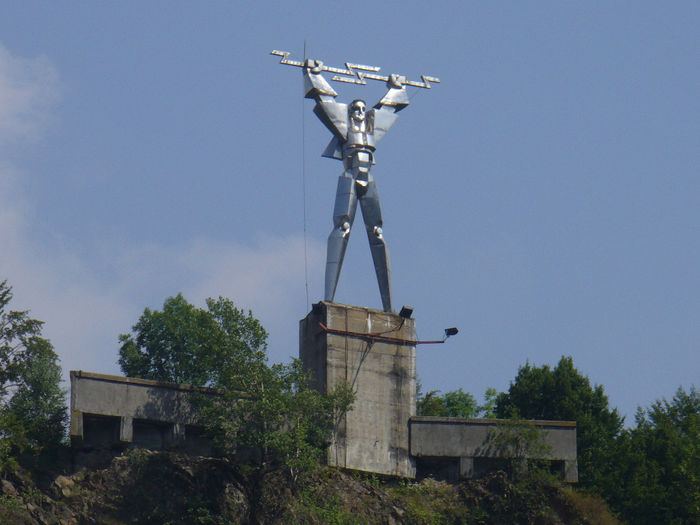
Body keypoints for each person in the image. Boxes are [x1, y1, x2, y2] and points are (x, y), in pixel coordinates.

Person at [303, 59, 409, 312]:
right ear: (350, 113)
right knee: (343, 226)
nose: (360, 112)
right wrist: (314, 73)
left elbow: (390, 107)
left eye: (363, 109)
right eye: (356, 109)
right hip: (349, 177)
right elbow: (325, 100)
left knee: (377, 233)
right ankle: (329, 297)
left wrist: (396, 87)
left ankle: (389, 307)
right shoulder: (344, 128)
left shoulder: (373, 131)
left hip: (368, 179)